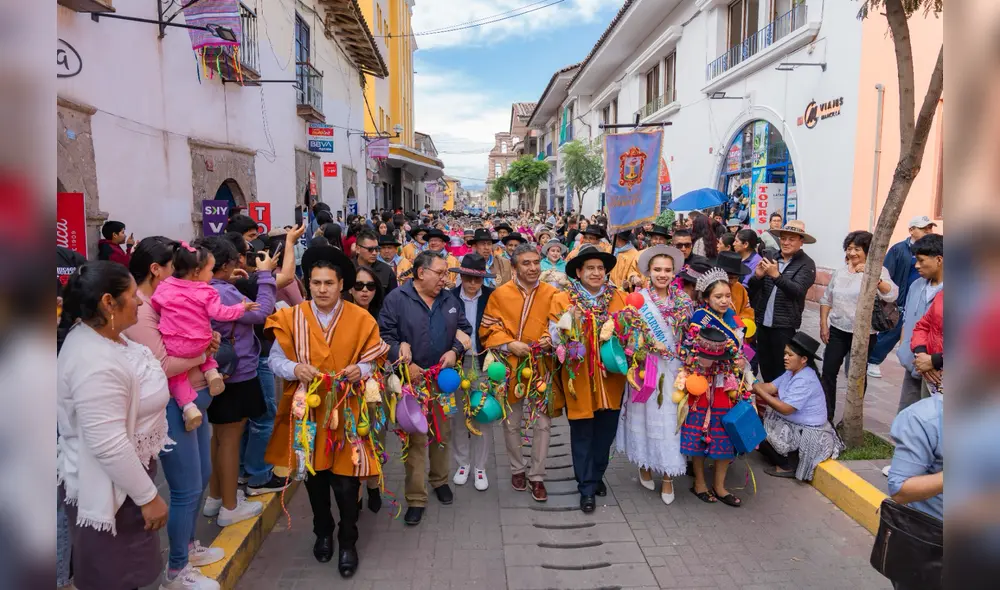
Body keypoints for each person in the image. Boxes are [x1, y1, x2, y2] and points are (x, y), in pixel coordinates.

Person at [264, 246, 389, 576]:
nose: (322, 289)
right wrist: (294, 369)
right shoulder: (292, 317)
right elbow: (274, 360)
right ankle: (323, 532)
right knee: (314, 481)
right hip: (309, 412)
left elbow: (373, 359)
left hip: (347, 411)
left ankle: (348, 540)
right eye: (316, 282)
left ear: (342, 284)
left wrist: (360, 370)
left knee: (347, 483)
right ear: (308, 283)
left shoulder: (361, 318)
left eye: (329, 283)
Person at [57, 261, 170, 590]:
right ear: (109, 302)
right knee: (114, 579)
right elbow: (107, 443)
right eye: (134, 295)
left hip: (126, 482)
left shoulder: (108, 338)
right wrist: (149, 496)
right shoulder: (93, 361)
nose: (141, 301)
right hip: (112, 489)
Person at [123, 237, 224, 589]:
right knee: (184, 488)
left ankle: (189, 546)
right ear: (157, 270)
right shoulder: (141, 309)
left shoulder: (170, 298)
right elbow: (162, 364)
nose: (181, 275)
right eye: (174, 268)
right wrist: (202, 356)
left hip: (194, 400)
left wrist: (206, 342)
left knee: (202, 475)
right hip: (171, 404)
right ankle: (176, 570)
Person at [379, 251, 471, 526]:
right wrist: (400, 354)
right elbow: (384, 335)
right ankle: (416, 498)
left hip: (443, 383)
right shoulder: (397, 299)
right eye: (441, 273)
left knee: (442, 434)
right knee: (416, 439)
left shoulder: (450, 300)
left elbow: (464, 330)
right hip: (412, 383)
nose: (446, 278)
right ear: (421, 273)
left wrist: (455, 351)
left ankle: (440, 480)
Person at [201, 236, 277, 524]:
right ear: (226, 264)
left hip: (215, 371)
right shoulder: (226, 294)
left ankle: (216, 496)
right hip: (238, 372)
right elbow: (262, 313)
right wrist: (266, 276)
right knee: (231, 439)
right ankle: (230, 509)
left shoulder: (202, 288)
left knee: (219, 437)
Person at [548, 245, 627, 513]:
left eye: (600, 268)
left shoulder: (620, 298)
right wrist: (571, 323)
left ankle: (596, 474)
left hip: (611, 380)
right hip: (578, 378)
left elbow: (632, 336)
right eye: (590, 268)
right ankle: (586, 487)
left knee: (605, 435)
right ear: (578, 272)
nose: (596, 273)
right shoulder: (562, 300)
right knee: (582, 433)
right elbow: (554, 341)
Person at [151, 240, 258, 431]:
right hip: (201, 341)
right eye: (210, 271)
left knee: (178, 376)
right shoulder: (207, 292)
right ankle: (211, 373)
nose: (212, 275)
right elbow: (221, 313)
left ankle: (188, 407)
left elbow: (157, 305)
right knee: (206, 344)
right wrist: (241, 308)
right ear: (196, 273)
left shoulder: (165, 286)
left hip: (175, 343)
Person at [482, 244, 560, 502]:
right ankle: (517, 468)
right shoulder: (500, 295)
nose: (533, 267)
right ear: (514, 267)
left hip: (542, 366)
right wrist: (508, 343)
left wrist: (551, 337)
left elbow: (560, 324)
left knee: (543, 422)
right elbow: (488, 328)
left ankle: (537, 475)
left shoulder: (552, 293)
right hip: (510, 366)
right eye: (526, 263)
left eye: (536, 262)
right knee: (511, 421)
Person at [615, 245, 692, 505]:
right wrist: (647, 344)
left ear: (674, 272)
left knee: (671, 421)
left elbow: (689, 335)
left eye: (667, 270)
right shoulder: (638, 300)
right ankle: (645, 464)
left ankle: (669, 475)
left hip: (674, 368)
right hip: (646, 368)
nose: (662, 274)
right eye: (657, 269)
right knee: (645, 418)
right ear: (648, 271)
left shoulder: (683, 300)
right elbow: (627, 339)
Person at [680, 269, 747, 507]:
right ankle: (699, 482)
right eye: (718, 296)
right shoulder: (700, 319)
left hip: (726, 385)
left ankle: (720, 486)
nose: (724, 300)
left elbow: (741, 348)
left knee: (725, 433)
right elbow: (688, 352)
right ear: (707, 298)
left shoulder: (734, 319)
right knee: (699, 431)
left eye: (727, 295)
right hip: (703, 383)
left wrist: (740, 362)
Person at [818, 230, 898, 421]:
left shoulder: (877, 270)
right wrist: (823, 324)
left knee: (857, 376)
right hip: (837, 330)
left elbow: (892, 294)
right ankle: (826, 415)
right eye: (849, 248)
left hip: (863, 334)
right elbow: (826, 299)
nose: (852, 253)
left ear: (867, 251)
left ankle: (852, 417)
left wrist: (873, 278)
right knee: (828, 371)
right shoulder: (840, 272)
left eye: (857, 249)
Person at [753, 332, 842, 481]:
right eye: (785, 354)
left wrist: (758, 390)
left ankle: (786, 465)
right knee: (757, 427)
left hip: (808, 432)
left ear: (804, 359)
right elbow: (770, 387)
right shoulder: (791, 373)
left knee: (755, 432)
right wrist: (748, 384)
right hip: (793, 424)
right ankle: (783, 455)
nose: (785, 358)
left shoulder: (805, 379)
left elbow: (786, 409)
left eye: (790, 355)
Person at [447, 254, 496, 492]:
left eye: (477, 279)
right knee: (457, 415)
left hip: (483, 362)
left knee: (482, 413)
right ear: (461, 276)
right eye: (468, 278)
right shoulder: (448, 298)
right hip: (456, 362)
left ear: (483, 280)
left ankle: (480, 466)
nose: (472, 283)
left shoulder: (491, 297)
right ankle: (462, 463)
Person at [868, 215, 939, 378]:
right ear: (911, 230)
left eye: (930, 228)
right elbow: (887, 272)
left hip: (922, 299)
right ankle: (873, 360)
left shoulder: (934, 252)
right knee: (891, 332)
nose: (928, 231)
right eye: (924, 228)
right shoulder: (899, 249)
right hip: (901, 299)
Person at [747, 220, 817, 383]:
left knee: (782, 368)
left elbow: (797, 291)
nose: (785, 242)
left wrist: (776, 275)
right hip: (762, 323)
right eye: (783, 238)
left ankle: (780, 402)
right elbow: (752, 291)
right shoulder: (771, 257)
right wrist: (757, 276)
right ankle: (770, 400)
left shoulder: (807, 264)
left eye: (791, 239)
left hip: (784, 325)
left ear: (801, 241)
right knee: (765, 366)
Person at [896, 234, 944, 412]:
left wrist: (934, 361)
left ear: (939, 260)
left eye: (922, 261)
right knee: (907, 416)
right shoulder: (916, 285)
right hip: (915, 360)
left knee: (932, 421)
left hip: (938, 370)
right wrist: (909, 352)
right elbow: (911, 322)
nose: (917, 266)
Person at [714, 251, 754, 323]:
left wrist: (737, 323)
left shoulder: (740, 288)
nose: (733, 281)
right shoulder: (711, 288)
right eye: (730, 278)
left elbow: (747, 312)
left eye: (737, 278)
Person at [354, 229, 398, 294]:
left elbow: (393, 298)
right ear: (358, 249)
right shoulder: (347, 269)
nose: (374, 253)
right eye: (370, 249)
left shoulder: (386, 271)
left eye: (377, 249)